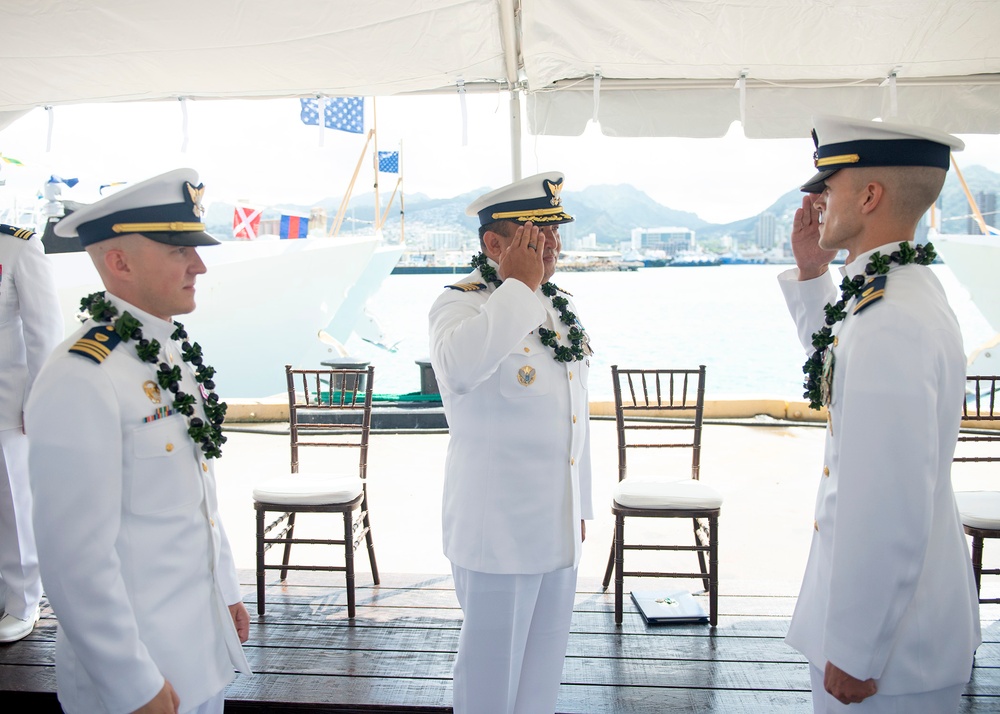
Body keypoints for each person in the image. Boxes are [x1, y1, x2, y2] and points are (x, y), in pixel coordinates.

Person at [25, 169, 252, 714]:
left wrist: (226, 590)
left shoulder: (166, 352)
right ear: (118, 262)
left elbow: (200, 494)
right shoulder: (83, 374)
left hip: (198, 652)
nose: (198, 264)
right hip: (135, 674)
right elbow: (73, 559)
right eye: (179, 248)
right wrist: (132, 684)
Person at [778, 115, 981, 713]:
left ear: (869, 196)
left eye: (829, 186)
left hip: (887, 653)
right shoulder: (899, 290)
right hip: (901, 629)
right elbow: (842, 374)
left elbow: (889, 498)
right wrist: (814, 274)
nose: (817, 200)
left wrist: (856, 646)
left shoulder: (889, 317)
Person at [428, 171, 593, 714]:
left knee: (542, 676)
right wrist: (517, 287)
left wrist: (581, 504)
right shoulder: (461, 306)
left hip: (556, 526)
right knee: (489, 680)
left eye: (553, 234)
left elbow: (573, 416)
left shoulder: (556, 309)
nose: (552, 246)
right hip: (496, 530)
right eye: (534, 235)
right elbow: (458, 371)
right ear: (495, 245)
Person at [0, 222, 63, 643]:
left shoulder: (18, 247)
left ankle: (23, 602)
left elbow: (45, 331)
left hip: (5, 402)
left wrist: (38, 401)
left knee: (13, 508)